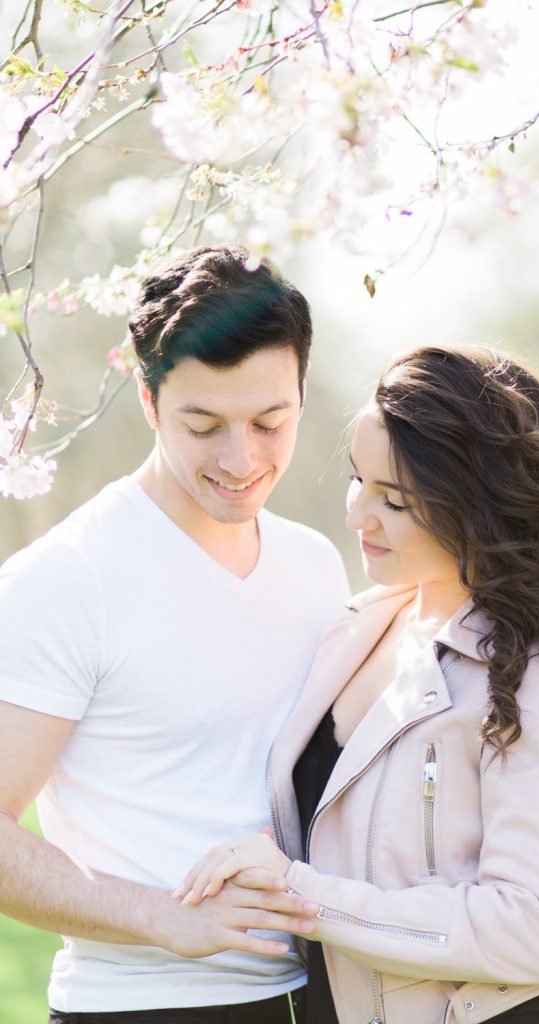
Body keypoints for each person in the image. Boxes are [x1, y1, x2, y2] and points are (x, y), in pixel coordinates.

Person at [177, 346, 539, 1024]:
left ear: (478, 508)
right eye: (356, 479)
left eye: (394, 500)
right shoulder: (353, 630)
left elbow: (532, 928)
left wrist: (300, 894)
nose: (356, 515)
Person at [0, 245, 350, 1022]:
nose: (240, 459)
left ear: (300, 394)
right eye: (203, 424)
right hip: (142, 1007)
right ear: (150, 402)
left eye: (269, 422)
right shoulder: (68, 578)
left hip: (323, 996)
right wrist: (163, 917)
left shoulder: (317, 565)